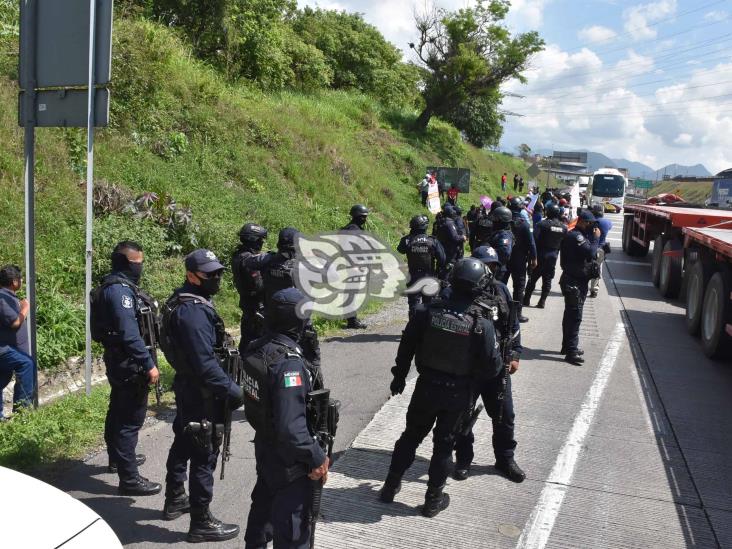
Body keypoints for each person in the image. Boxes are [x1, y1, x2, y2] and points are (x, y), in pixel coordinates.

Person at [379, 258, 503, 517]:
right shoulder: (482, 324)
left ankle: (390, 485)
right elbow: (492, 367)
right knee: (443, 447)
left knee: (410, 436)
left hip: (426, 387)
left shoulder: (427, 312)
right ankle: (432, 500)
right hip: (458, 393)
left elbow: (406, 347)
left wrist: (399, 377)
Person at [161, 249, 243, 543]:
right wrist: (233, 392)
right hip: (203, 393)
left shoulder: (184, 300)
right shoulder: (193, 312)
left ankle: (175, 499)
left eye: (219, 272)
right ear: (192, 276)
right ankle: (201, 521)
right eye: (210, 274)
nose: (217, 278)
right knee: (204, 453)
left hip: (190, 389)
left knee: (184, 441)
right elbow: (204, 363)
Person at [243, 288, 331, 549]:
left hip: (266, 447)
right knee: (293, 533)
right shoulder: (288, 364)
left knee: (261, 515)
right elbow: (292, 428)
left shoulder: (257, 348)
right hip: (290, 462)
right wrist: (315, 457)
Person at [91, 242, 160, 495]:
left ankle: (118, 459)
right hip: (129, 362)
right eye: (137, 263)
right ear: (125, 263)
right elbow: (130, 335)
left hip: (118, 359)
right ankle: (129, 478)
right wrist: (149, 364)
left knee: (117, 409)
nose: (140, 267)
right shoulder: (120, 292)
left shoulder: (107, 286)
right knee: (130, 420)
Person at [452, 246, 525, 483]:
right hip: (467, 369)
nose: (490, 271)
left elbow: (513, 327)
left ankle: (505, 458)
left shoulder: (502, 290)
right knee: (463, 416)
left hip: (498, 367)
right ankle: (463, 459)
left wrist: (515, 355)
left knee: (505, 415)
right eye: (486, 266)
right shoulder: (459, 291)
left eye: (493, 266)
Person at [245, 228, 323, 381]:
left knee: (270, 357)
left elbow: (248, 262)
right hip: (301, 322)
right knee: (312, 360)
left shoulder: (267, 261)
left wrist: (272, 256)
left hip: (273, 321)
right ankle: (317, 396)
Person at [559, 210, 601, 365]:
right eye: (590, 223)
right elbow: (590, 252)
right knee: (575, 317)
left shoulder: (580, 235)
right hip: (573, 282)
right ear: (583, 222)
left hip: (577, 280)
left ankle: (567, 346)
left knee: (570, 315)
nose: (593, 227)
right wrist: (596, 239)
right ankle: (571, 351)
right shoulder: (576, 236)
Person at [0, 265, 34, 419]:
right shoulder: (2, 298)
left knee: (2, 377)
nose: (21, 281)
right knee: (26, 364)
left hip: (9, 348)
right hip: (4, 349)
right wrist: (25, 308)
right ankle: (22, 413)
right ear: (14, 282)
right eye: (20, 279)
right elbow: (14, 322)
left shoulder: (8, 296)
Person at [397, 215, 447, 318]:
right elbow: (442, 259)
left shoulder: (407, 240)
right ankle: (425, 330)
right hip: (428, 276)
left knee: (413, 304)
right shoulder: (432, 240)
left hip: (413, 276)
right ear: (425, 227)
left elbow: (400, 250)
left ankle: (412, 329)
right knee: (429, 304)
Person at [231, 223, 268, 353]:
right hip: (256, 306)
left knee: (247, 337)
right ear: (253, 240)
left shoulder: (238, 255)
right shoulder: (249, 260)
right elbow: (258, 285)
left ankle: (242, 367)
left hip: (247, 302)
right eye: (260, 240)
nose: (261, 243)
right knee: (257, 341)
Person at [524, 204, 567, 308]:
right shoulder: (563, 228)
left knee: (532, 279)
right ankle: (542, 301)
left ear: (548, 212)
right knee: (547, 280)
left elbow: (533, 241)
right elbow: (563, 245)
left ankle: (526, 300)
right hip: (553, 256)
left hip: (540, 255)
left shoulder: (542, 225)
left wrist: (530, 257)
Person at [507, 197, 537, 323]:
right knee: (519, 287)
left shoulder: (503, 219)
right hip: (519, 258)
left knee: (499, 284)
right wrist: (534, 258)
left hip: (503, 257)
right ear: (520, 207)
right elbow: (531, 243)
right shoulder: (523, 222)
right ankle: (516, 315)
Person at [340, 205, 369, 329]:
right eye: (363, 217)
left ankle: (350, 318)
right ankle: (352, 321)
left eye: (365, 217)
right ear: (357, 216)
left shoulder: (351, 228)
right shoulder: (353, 230)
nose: (365, 219)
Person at [589, 204, 613, 298]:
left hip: (589, 247)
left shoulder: (590, 221)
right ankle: (594, 290)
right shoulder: (607, 222)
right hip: (601, 250)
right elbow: (610, 226)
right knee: (597, 269)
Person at [489, 206, 514, 282]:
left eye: (495, 219)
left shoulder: (504, 235)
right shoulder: (498, 232)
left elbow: (505, 251)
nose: (493, 221)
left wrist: (489, 251)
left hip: (497, 269)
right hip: (493, 266)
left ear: (501, 220)